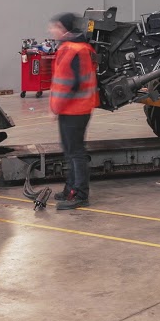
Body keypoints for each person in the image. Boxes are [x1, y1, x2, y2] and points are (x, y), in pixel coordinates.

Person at [44, 12, 99, 210]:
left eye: (54, 26)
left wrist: (55, 109)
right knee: (70, 151)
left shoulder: (74, 50)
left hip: (75, 109)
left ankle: (80, 194)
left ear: (63, 28)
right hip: (72, 109)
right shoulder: (73, 47)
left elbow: (71, 84)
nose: (51, 30)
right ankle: (71, 189)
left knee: (75, 152)